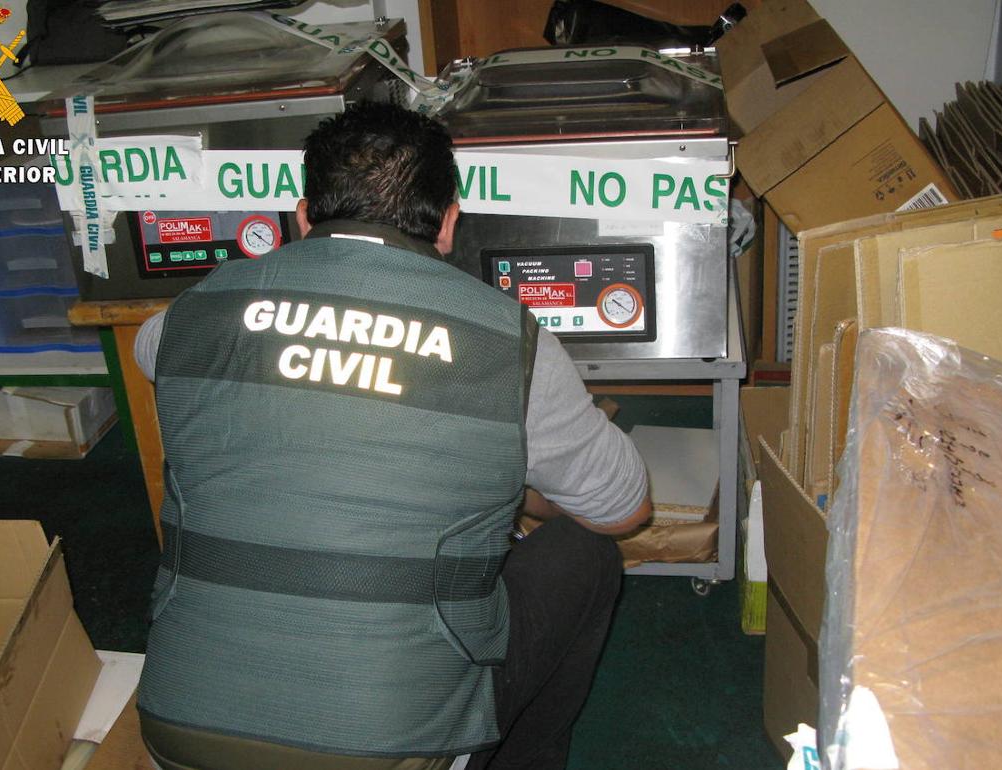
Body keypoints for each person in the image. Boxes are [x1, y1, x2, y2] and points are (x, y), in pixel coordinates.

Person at [133, 101, 652, 770]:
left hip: (177, 730)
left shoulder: (190, 315)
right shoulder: (507, 340)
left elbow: (162, 353)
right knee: (587, 552)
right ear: (450, 224)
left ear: (301, 215)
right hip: (396, 752)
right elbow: (625, 510)